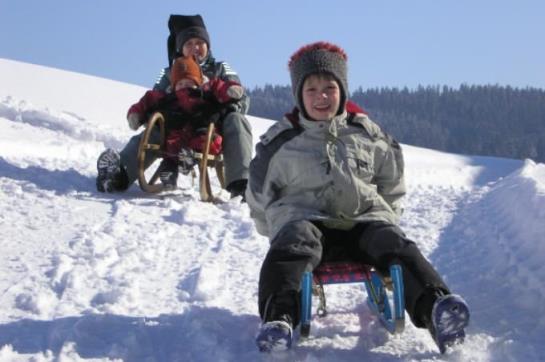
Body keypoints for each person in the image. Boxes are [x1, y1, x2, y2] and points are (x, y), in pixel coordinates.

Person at [246, 42, 470, 353]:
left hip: (363, 221)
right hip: (305, 221)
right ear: (299, 94)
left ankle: (436, 309)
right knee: (292, 245)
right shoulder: (281, 141)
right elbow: (258, 193)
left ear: (343, 89)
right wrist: (276, 230)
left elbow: (391, 179)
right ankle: (279, 319)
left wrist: (386, 217)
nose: (321, 97)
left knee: (395, 244)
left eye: (329, 88)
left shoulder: (367, 133)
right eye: (311, 89)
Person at [96, 14, 252, 199]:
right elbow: (154, 97)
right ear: (180, 47)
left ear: (208, 46)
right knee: (154, 129)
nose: (195, 48)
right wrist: (145, 114)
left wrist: (223, 107)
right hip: (175, 125)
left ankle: (241, 183)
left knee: (237, 120)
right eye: (189, 44)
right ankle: (119, 174)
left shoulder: (221, 68)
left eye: (199, 43)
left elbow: (239, 95)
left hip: (211, 125)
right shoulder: (170, 72)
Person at [125, 55, 243, 190]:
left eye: (189, 83)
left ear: (199, 82)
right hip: (177, 134)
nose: (184, 87)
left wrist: (230, 90)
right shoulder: (168, 97)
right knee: (171, 145)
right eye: (180, 84)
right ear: (174, 85)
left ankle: (186, 159)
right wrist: (135, 114)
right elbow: (148, 99)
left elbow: (219, 86)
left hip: (203, 130)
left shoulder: (206, 91)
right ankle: (170, 173)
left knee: (205, 140)